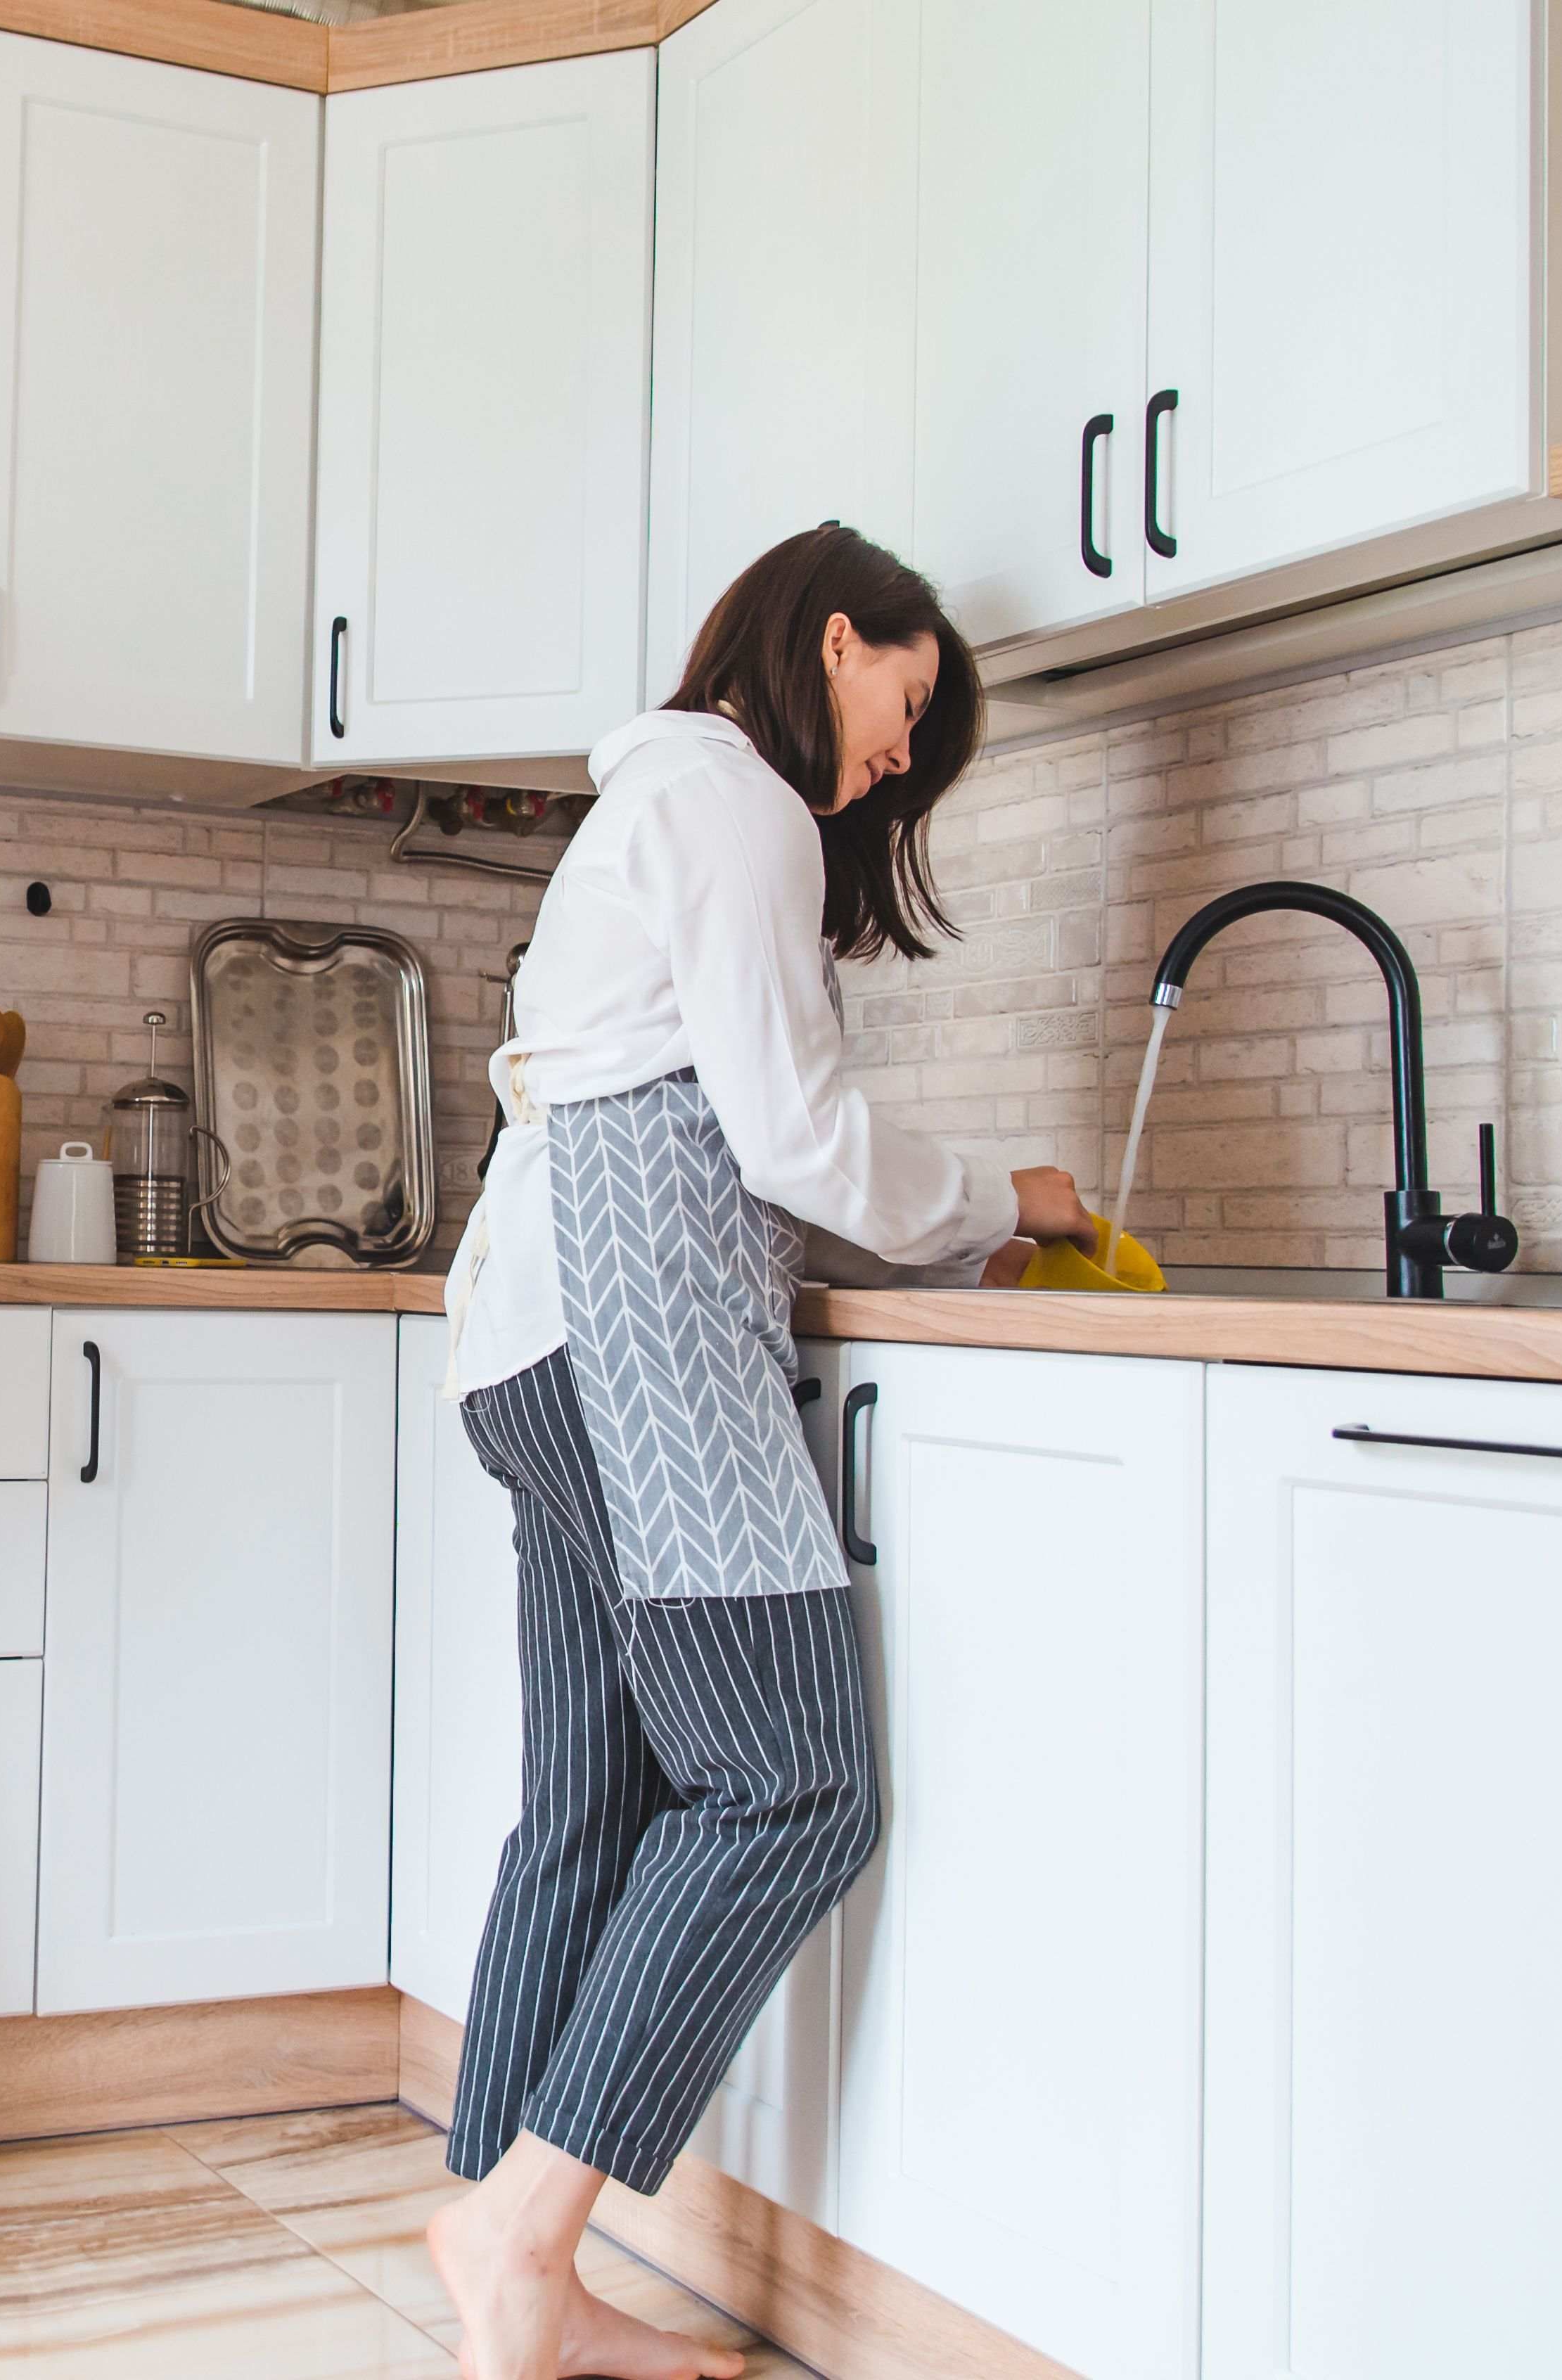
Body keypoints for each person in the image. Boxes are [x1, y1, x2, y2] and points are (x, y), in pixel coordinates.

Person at [422, 524, 1097, 2380]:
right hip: (636, 1345)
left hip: (529, 1343)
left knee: (597, 1804)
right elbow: (796, 1137)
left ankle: (515, 2270)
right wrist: (998, 1201)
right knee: (793, 1783)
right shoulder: (734, 802)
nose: (904, 748)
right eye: (909, 694)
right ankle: (519, 2230)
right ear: (834, 636)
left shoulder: (663, 805)